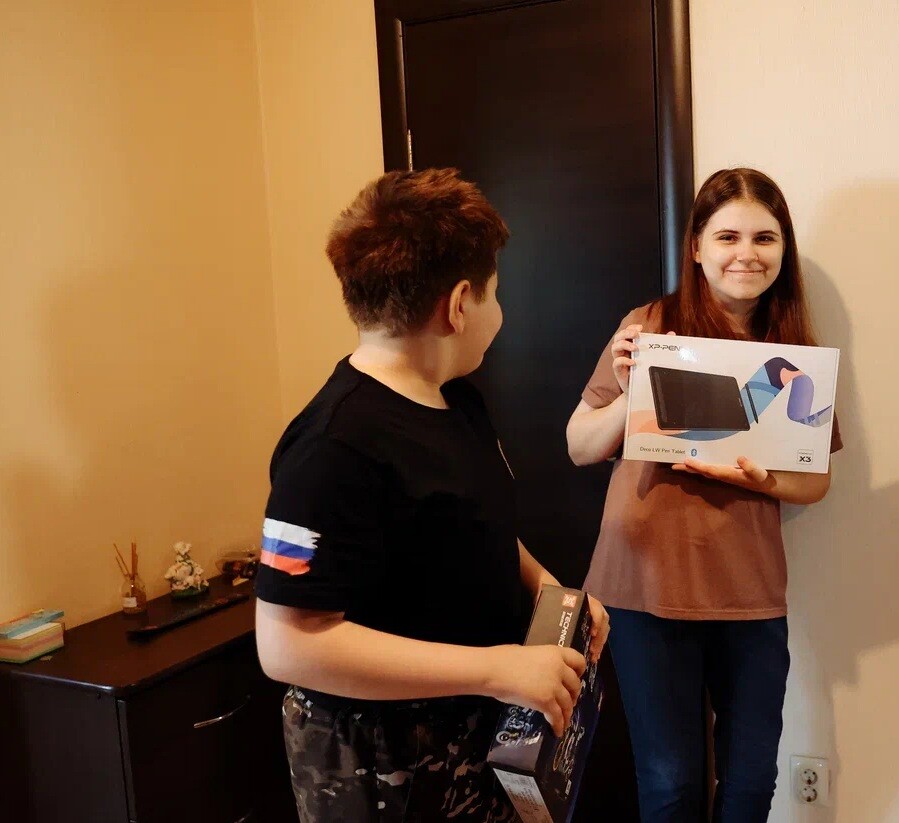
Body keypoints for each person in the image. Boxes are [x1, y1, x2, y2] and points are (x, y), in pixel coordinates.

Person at [255, 168, 610, 823]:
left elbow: (477, 528)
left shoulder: (458, 405)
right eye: (496, 294)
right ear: (459, 304)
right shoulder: (330, 445)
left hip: (475, 748)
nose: (500, 316)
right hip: (384, 772)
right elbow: (288, 646)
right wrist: (497, 669)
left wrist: (551, 592)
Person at [566, 168, 841, 822]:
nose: (746, 253)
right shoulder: (649, 327)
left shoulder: (793, 352)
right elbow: (579, 444)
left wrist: (765, 481)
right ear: (695, 247)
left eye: (764, 238)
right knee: (669, 785)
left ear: (783, 249)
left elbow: (815, 479)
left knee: (750, 782)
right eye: (727, 237)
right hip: (644, 586)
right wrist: (632, 392)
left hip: (749, 590)